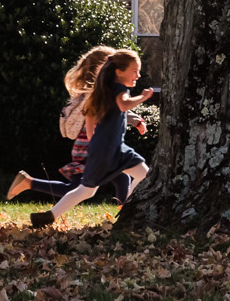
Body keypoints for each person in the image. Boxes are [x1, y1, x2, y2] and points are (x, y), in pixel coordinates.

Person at [9, 45, 145, 205]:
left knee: (119, 178)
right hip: (91, 148)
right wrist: (136, 120)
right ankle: (29, 182)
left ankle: (124, 211)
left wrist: (136, 121)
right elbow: (115, 111)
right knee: (80, 188)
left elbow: (115, 114)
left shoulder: (97, 92)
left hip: (93, 146)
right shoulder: (98, 93)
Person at [32, 49, 153, 227]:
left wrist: (93, 142)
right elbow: (123, 104)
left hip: (113, 149)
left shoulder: (102, 90)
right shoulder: (119, 88)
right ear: (119, 72)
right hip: (108, 151)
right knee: (87, 190)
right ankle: (49, 216)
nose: (138, 75)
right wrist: (143, 97)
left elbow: (89, 116)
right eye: (134, 71)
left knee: (144, 175)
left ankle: (127, 208)